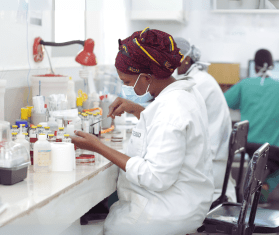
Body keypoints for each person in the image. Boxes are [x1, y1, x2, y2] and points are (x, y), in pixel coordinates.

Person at [71, 28, 214, 235]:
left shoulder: (171, 109)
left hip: (162, 213)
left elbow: (155, 177)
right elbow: (164, 129)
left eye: (127, 82)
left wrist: (98, 147)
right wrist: (137, 109)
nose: (125, 88)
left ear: (146, 78)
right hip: (182, 202)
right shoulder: (185, 93)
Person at [173, 37, 237, 203]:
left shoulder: (196, 83)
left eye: (170, 59)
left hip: (209, 167)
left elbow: (173, 119)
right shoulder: (199, 79)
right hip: (212, 161)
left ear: (186, 59)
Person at [225, 49, 279, 204]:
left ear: (255, 66)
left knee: (262, 161)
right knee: (273, 160)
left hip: (247, 145)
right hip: (273, 147)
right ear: (271, 66)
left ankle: (255, 188)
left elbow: (226, 102)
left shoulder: (245, 84)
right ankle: (266, 186)